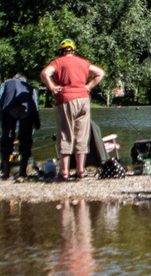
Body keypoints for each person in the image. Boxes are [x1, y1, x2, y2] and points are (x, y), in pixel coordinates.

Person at [42, 40, 106, 179]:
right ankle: (80, 170)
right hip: (83, 99)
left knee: (65, 133)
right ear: (73, 50)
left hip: (66, 99)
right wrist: (88, 86)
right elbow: (100, 73)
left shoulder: (58, 62)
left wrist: (52, 87)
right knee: (81, 135)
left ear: (61, 50)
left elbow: (44, 73)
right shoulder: (83, 62)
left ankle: (64, 171)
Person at [0, 71, 41, 179]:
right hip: (27, 110)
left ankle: (5, 172)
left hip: (10, 110)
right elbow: (35, 105)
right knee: (26, 140)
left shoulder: (6, 83)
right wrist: (33, 126)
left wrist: (3, 114)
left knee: (7, 139)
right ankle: (23, 172)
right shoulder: (29, 86)